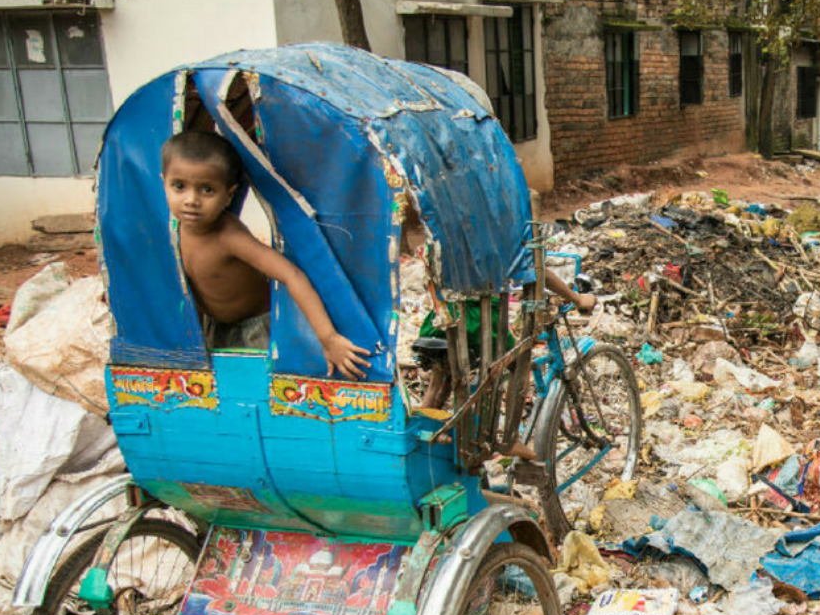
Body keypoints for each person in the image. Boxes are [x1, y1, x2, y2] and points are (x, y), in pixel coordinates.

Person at [162, 130, 371, 379]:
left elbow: (292, 275)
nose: (191, 200)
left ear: (229, 195)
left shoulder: (228, 236)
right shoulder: (174, 232)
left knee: (261, 394)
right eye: (179, 186)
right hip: (214, 326)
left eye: (207, 190)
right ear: (164, 182)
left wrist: (328, 338)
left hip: (256, 330)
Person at [401, 207, 597, 412]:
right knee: (519, 363)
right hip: (477, 324)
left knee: (439, 378)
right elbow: (539, 271)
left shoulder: (456, 234)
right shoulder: (501, 237)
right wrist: (577, 298)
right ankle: (511, 439)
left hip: (440, 319)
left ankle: (423, 428)